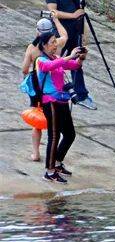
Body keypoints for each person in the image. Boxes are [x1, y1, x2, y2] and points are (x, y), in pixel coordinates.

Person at [36, 33, 87, 183]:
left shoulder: (56, 58)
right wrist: (69, 56)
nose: (55, 45)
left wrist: (81, 57)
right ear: (44, 45)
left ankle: (57, 162)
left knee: (70, 134)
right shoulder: (41, 60)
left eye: (55, 42)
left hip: (63, 101)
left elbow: (75, 65)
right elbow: (50, 66)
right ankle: (49, 171)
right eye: (52, 42)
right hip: (50, 102)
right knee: (54, 136)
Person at [44, 0, 96, 110]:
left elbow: (79, 13)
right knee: (55, 61)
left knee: (77, 61)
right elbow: (53, 12)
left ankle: (81, 94)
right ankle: (52, 90)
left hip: (75, 31)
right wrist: (73, 16)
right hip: (60, 33)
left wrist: (84, 32)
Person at [22, 18, 68, 162]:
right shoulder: (57, 43)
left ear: (37, 31)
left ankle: (36, 153)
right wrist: (56, 19)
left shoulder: (32, 48)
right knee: (57, 125)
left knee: (38, 121)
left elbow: (24, 69)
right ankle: (55, 152)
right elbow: (65, 36)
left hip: (39, 88)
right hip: (56, 89)